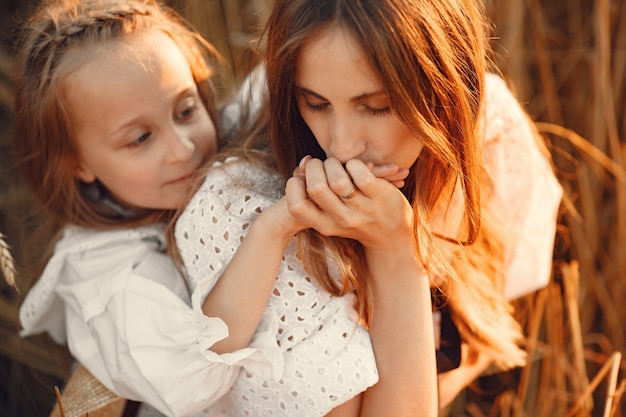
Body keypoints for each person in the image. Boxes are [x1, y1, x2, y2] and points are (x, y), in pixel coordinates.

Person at [13, 1, 436, 416]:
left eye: (185, 109)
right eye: (140, 139)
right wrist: (273, 228)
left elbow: (281, 84)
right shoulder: (106, 276)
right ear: (77, 163)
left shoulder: (227, 146)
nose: (183, 149)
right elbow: (203, 361)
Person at [175, 0, 562, 412]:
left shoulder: (492, 145)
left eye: (377, 106)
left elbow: (486, 330)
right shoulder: (250, 214)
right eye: (316, 104)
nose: (341, 145)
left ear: (448, 90)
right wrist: (395, 251)